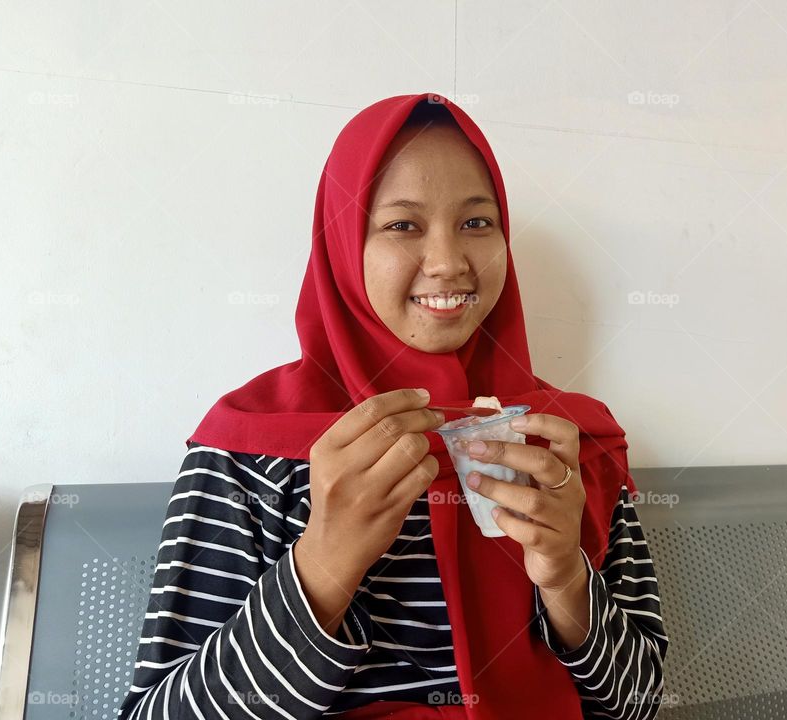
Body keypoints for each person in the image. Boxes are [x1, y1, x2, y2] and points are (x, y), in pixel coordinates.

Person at [118, 93, 668, 720]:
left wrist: (568, 578)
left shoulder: (567, 444)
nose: (448, 263)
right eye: (402, 225)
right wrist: (324, 563)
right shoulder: (249, 447)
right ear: (342, 244)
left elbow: (641, 704)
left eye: (477, 223)